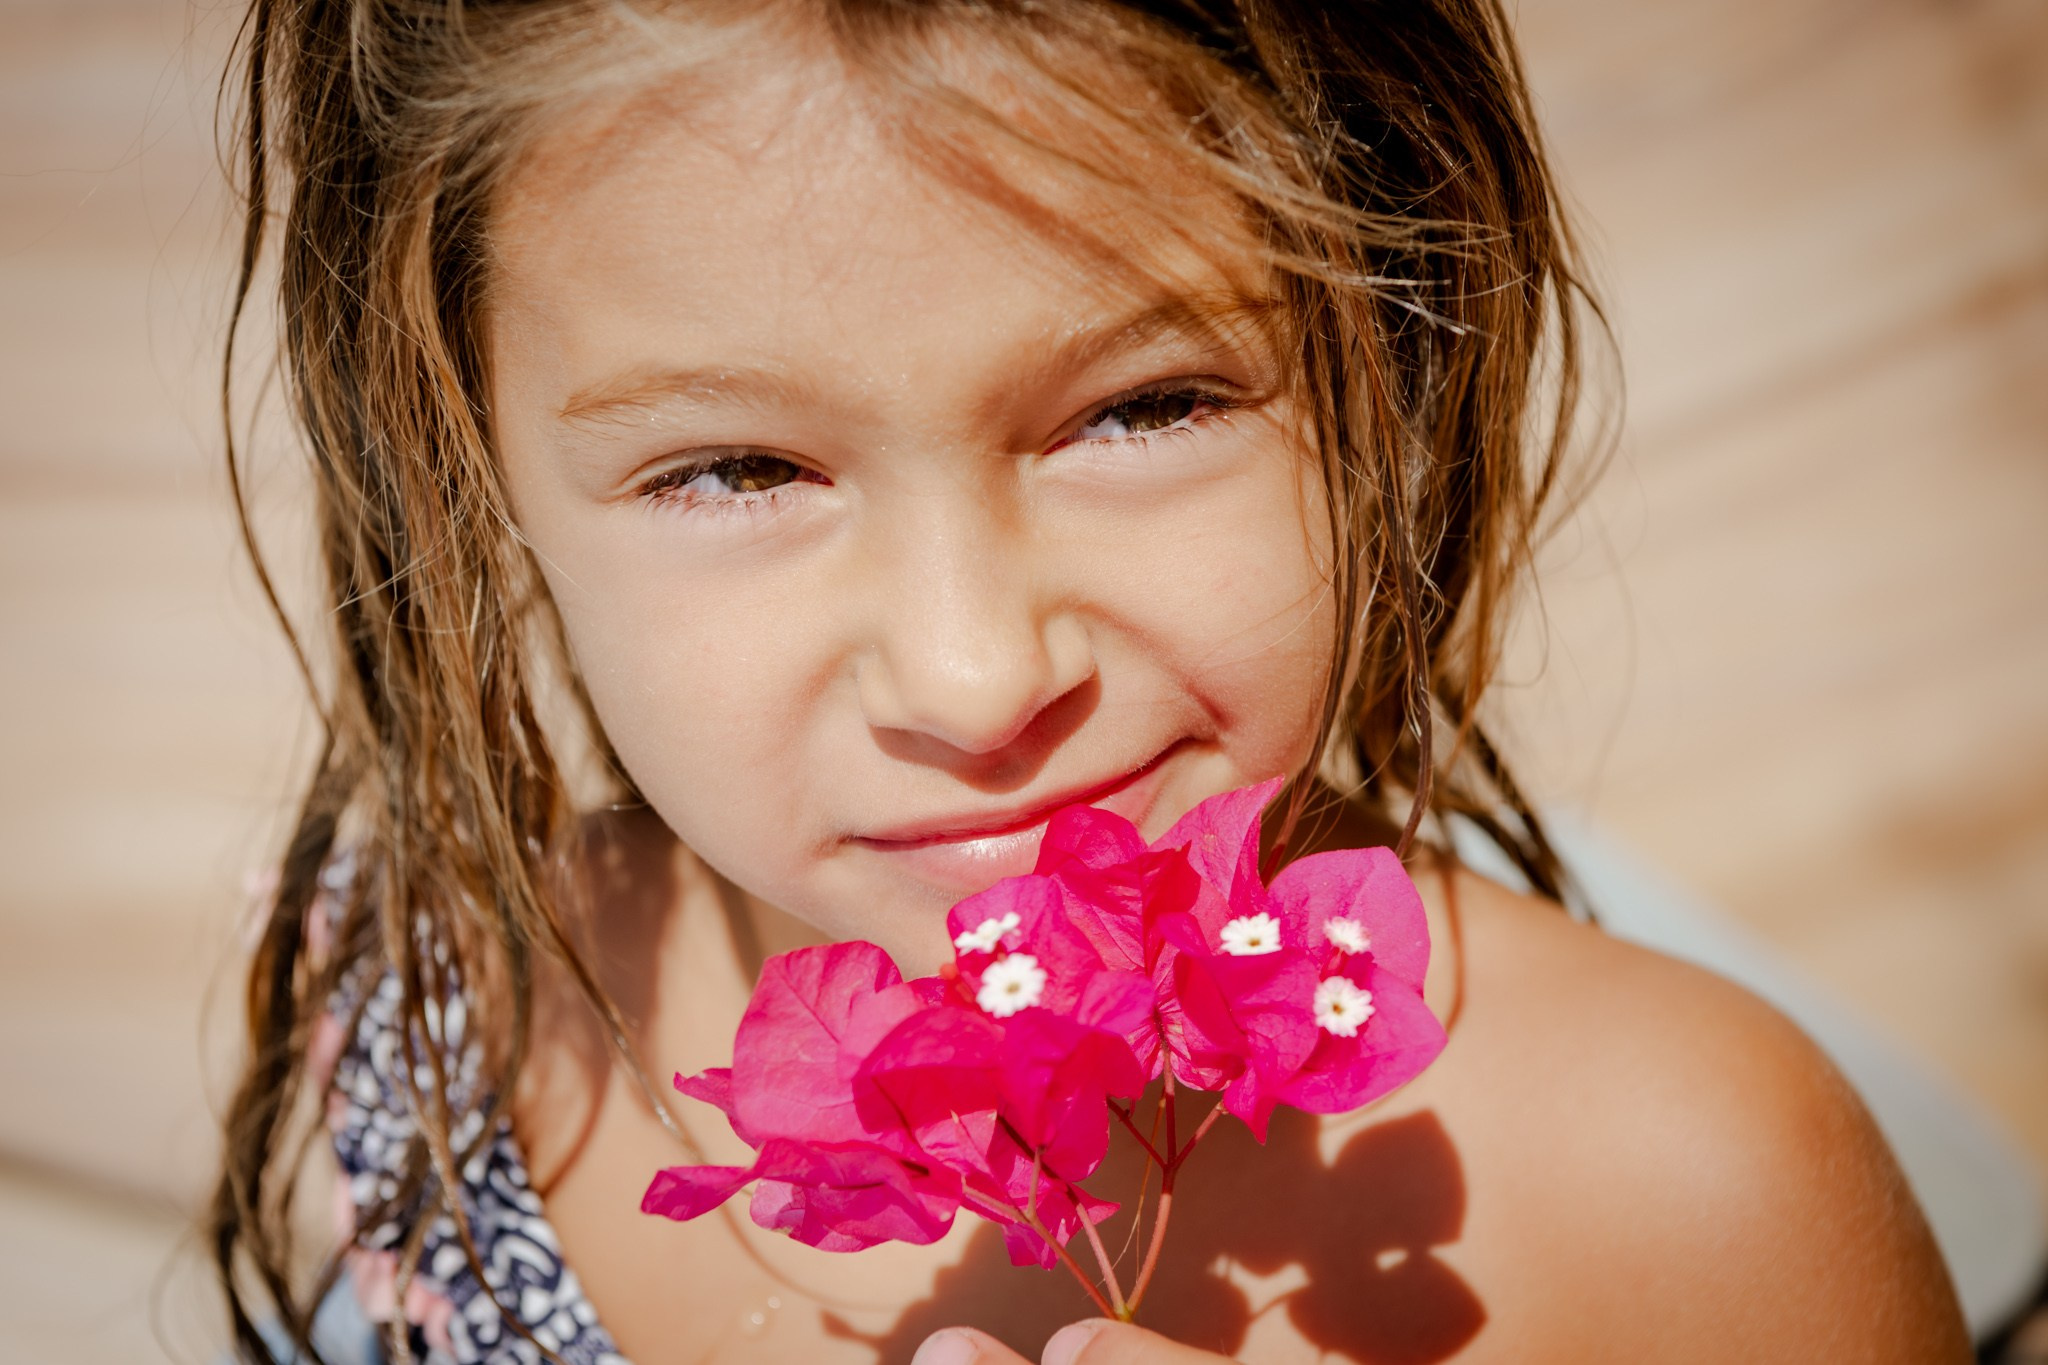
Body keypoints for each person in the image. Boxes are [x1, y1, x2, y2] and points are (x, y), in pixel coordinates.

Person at [208, 2, 1972, 1362]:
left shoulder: (1699, 1203)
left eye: (1146, 407)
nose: (977, 681)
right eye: (737, 468)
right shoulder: (454, 998)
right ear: (468, 468)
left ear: (1405, 344)